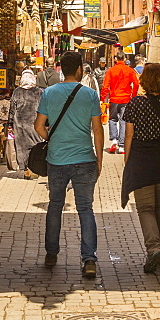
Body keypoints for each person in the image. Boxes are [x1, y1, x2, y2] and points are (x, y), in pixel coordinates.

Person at [34, 51, 105, 278]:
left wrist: (51, 138)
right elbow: (97, 129)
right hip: (84, 158)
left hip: (56, 159)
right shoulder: (91, 95)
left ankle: (51, 254)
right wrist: (100, 159)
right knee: (85, 208)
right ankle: (89, 259)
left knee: (55, 205)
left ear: (61, 70)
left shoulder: (49, 93)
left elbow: (38, 126)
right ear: (79, 70)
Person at [121, 64, 160, 273]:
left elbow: (128, 135)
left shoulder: (135, 104)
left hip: (141, 158)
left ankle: (154, 248)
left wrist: (128, 160)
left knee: (145, 207)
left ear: (144, 81)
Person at [101, 51, 139, 154]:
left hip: (113, 99)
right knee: (123, 120)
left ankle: (114, 140)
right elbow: (136, 83)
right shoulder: (130, 70)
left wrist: (102, 98)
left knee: (112, 119)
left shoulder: (111, 71)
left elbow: (105, 86)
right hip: (126, 99)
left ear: (115, 59)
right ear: (125, 59)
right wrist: (133, 96)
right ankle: (122, 145)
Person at [9, 69, 44, 179]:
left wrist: (10, 125)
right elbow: (44, 109)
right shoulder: (39, 92)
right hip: (35, 125)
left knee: (22, 148)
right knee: (35, 146)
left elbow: (12, 109)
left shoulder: (17, 92)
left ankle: (25, 170)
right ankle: (34, 168)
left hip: (20, 126)